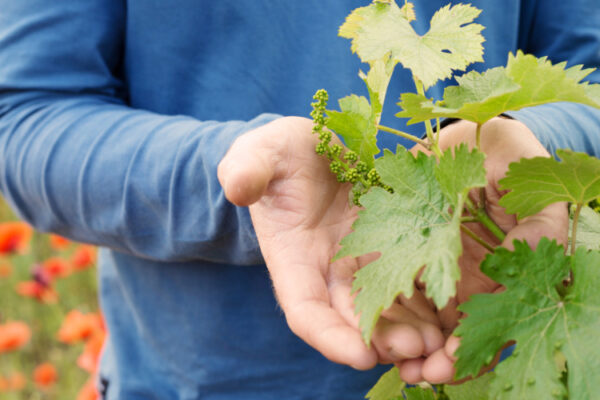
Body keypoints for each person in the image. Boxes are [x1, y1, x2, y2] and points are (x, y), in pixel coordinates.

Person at [0, 1, 598, 398]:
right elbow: (26, 116)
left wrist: (533, 154)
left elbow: (587, 83)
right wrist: (246, 184)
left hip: (497, 366)